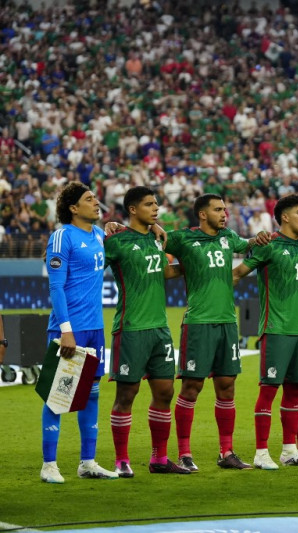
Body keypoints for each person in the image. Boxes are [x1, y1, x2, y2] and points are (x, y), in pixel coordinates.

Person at [164, 193, 267, 471]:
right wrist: (118, 226)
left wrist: (260, 237)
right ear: (202, 214)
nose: (224, 214)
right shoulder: (183, 238)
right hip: (198, 322)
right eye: (218, 210)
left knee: (227, 387)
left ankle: (226, 452)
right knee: (191, 387)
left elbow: (249, 243)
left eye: (225, 209)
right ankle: (185, 453)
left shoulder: (228, 237)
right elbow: (156, 241)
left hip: (227, 323)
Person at [105, 186, 191, 476]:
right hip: (130, 328)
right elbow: (89, 265)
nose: (156, 209)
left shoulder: (157, 240)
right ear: (132, 209)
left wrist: (189, 266)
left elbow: (163, 271)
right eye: (149, 205)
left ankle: (159, 458)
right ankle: (121, 459)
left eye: (156, 204)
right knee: (126, 394)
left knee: (165, 392)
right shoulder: (116, 241)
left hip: (160, 330)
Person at [232, 194, 298, 468]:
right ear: (284, 217)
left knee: (295, 391)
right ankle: (260, 453)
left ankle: (289, 450)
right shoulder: (269, 245)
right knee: (268, 392)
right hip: (276, 329)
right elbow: (237, 274)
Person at [41, 182, 118, 483]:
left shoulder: (99, 235)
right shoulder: (62, 237)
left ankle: (88, 462)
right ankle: (49, 465)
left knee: (92, 394)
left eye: (96, 197)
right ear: (73, 208)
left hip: (95, 329)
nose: (96, 202)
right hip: (68, 329)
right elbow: (56, 286)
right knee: (57, 397)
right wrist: (66, 330)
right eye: (89, 199)